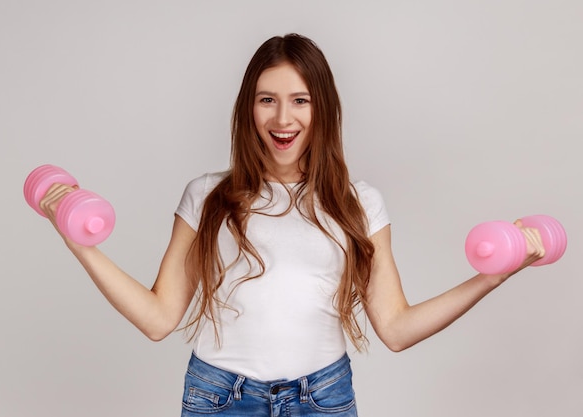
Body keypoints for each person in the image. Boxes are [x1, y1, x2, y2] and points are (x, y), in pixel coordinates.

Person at [38, 33, 546, 416]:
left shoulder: (359, 204)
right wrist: (78, 242)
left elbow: (395, 328)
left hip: (322, 396)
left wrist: (494, 275)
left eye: (300, 99)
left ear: (322, 107)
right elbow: (157, 318)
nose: (283, 118)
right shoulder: (207, 195)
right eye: (267, 99)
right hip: (221, 397)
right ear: (248, 108)